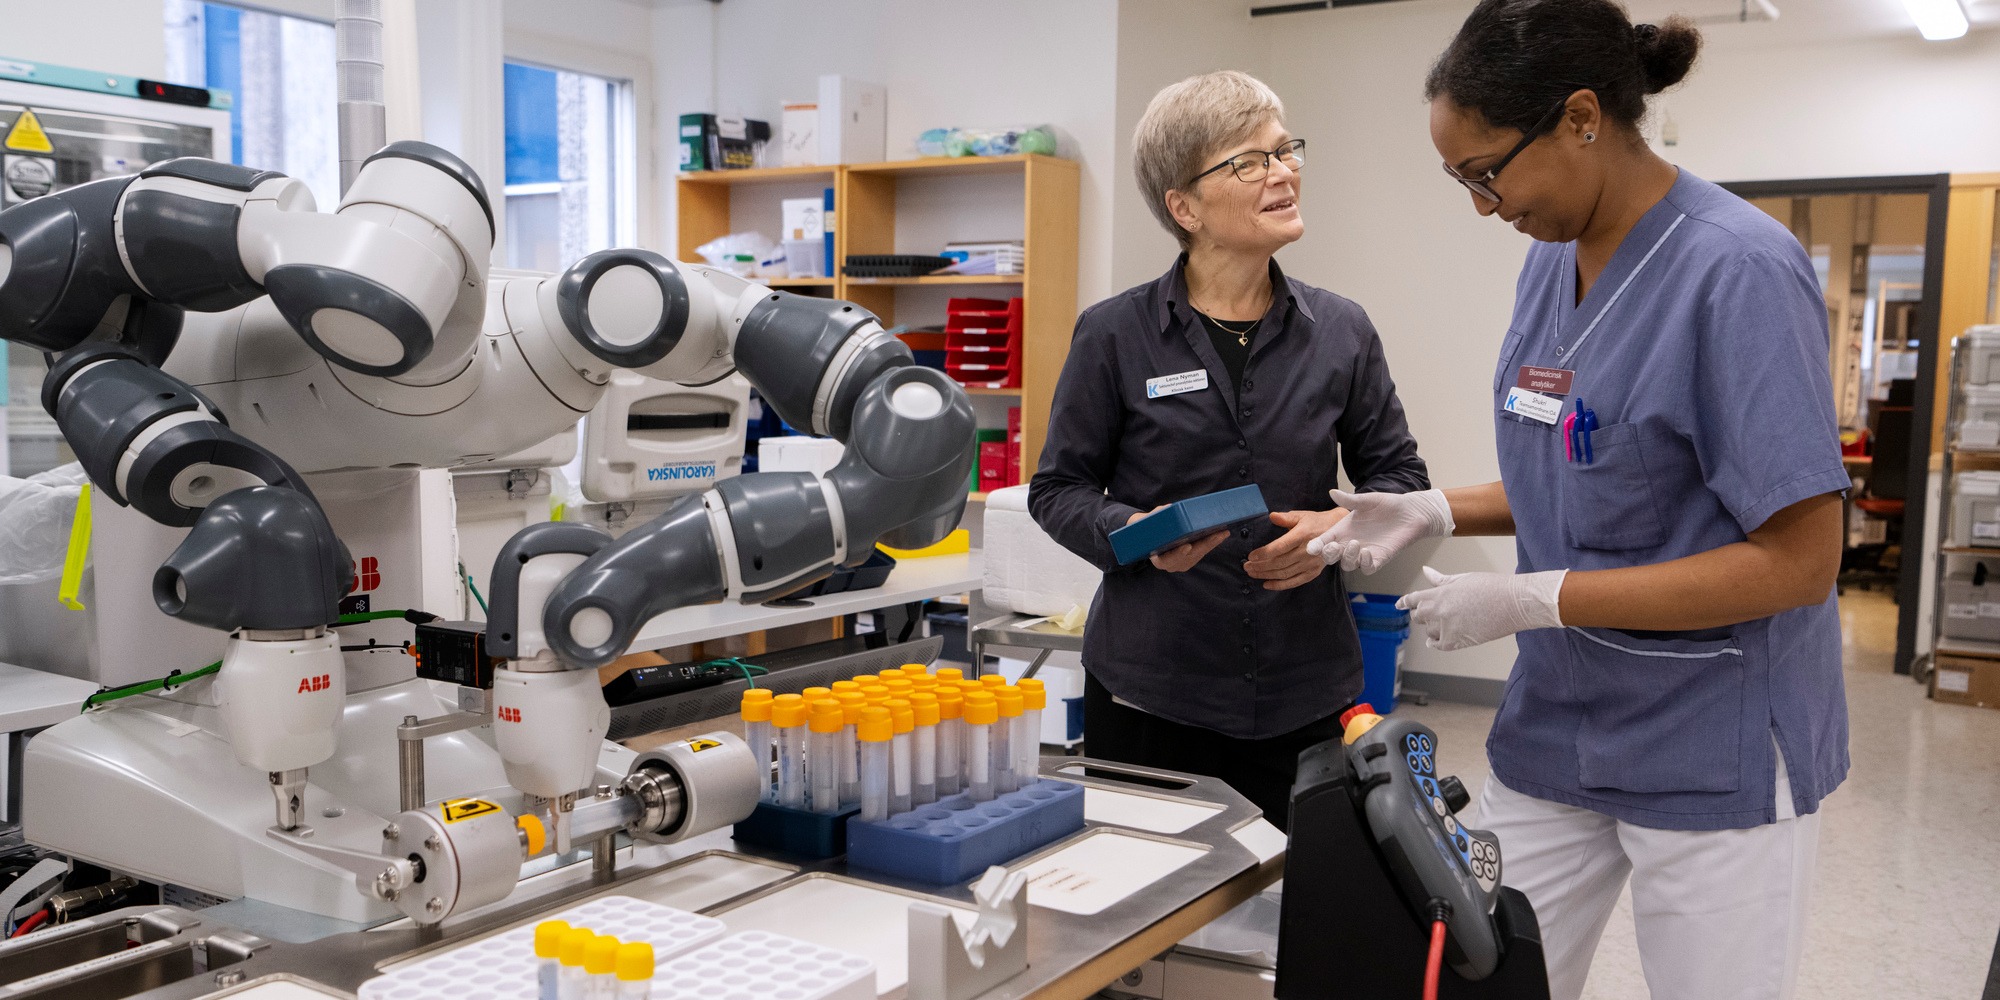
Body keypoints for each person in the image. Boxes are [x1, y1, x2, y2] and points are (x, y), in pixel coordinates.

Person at [1309, 3, 1847, 998]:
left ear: (1582, 118)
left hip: (1709, 737)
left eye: (1487, 172)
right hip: (1558, 728)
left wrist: (1533, 598)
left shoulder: (1736, 272)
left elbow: (1799, 561)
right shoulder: (1547, 259)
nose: (1482, 204)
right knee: (1481, 974)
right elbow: (1584, 461)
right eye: (1458, 180)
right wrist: (1432, 508)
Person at [1029, 70, 1429, 830]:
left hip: (1307, 691)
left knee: (1298, 920)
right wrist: (1139, 537)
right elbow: (1059, 489)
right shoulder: (1114, 334)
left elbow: (1401, 477)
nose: (1283, 173)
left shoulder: (1342, 330)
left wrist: (1333, 532)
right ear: (1184, 207)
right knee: (1145, 910)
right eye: (1249, 162)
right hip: (1153, 692)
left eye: (1285, 152)